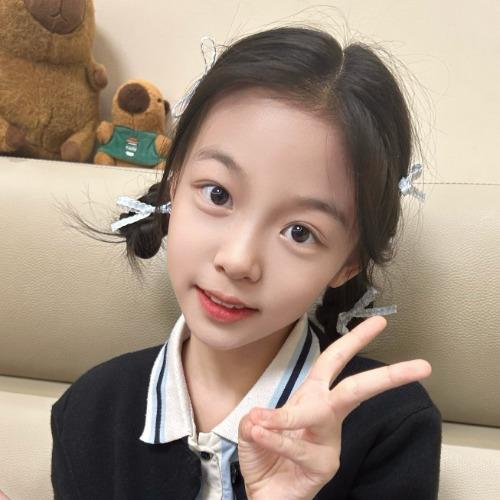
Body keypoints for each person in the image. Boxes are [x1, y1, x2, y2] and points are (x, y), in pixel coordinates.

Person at [51, 26, 441, 499]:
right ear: (173, 185)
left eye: (300, 232)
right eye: (218, 194)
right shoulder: (88, 413)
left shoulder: (391, 428)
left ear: (348, 264)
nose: (238, 261)